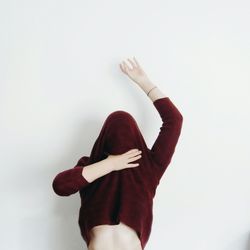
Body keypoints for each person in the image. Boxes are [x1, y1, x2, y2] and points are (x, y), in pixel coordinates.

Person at [52, 57, 183, 250]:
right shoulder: (90, 168)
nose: (122, 141)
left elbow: (174, 121)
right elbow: (60, 186)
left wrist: (144, 82)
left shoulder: (149, 167)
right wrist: (110, 164)